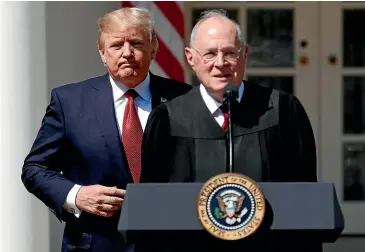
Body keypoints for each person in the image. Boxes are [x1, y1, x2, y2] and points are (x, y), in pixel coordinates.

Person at [21, 7, 191, 252]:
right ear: (102, 53)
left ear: (154, 49)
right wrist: (76, 195)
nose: (127, 53)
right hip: (94, 243)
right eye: (116, 45)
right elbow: (35, 168)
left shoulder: (184, 99)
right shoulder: (69, 101)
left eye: (136, 43)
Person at [140, 9, 317, 184]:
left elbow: (304, 193)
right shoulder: (167, 119)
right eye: (209, 54)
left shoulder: (282, 110)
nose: (220, 63)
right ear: (190, 57)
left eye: (230, 53)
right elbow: (155, 198)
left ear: (245, 54)